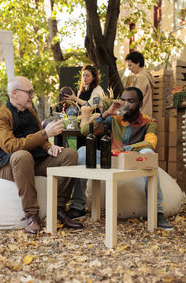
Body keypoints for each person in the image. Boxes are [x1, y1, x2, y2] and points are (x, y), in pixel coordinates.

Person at [67, 86, 172, 230]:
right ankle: (78, 206)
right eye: (123, 100)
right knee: (83, 151)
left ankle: (157, 212)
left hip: (134, 162)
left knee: (148, 153)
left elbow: (150, 143)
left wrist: (126, 149)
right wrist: (106, 114)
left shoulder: (149, 122)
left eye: (131, 101)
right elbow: (85, 131)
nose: (126, 104)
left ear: (140, 104)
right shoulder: (113, 118)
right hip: (111, 160)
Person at [0, 76, 83, 234]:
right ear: (14, 93)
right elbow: (11, 146)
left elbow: (40, 138)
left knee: (70, 155)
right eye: (29, 92)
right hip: (7, 163)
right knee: (22, 155)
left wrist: (48, 147)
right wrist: (45, 134)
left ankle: (59, 209)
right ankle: (32, 216)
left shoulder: (31, 112)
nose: (32, 96)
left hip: (33, 160)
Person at [125, 51, 155, 117]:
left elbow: (135, 98)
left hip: (140, 117)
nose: (129, 68)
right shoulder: (143, 76)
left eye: (130, 65)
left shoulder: (141, 77)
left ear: (138, 63)